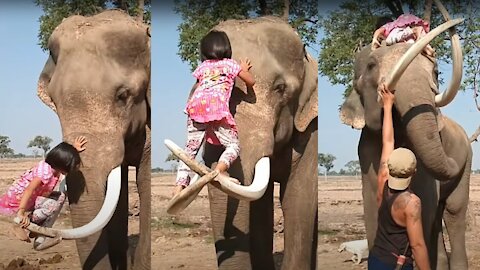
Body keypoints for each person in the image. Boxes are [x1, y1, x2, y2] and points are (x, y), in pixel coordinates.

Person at [173, 30, 256, 196]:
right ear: (227, 48)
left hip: (195, 108)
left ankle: (178, 188)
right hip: (217, 108)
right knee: (233, 145)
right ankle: (219, 170)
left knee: (189, 152)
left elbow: (198, 84)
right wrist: (243, 68)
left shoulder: (202, 67)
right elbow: (251, 81)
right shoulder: (230, 64)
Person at [368, 84, 431, 270]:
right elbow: (417, 245)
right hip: (396, 264)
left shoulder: (383, 179)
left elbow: (387, 141)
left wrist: (388, 106)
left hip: (376, 258)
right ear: (414, 172)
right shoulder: (411, 203)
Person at [0, 136, 87, 242]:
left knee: (59, 196)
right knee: (52, 205)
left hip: (31, 198)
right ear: (62, 163)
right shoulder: (45, 174)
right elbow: (28, 190)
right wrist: (21, 212)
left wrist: (73, 150)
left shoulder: (53, 167)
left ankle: (32, 225)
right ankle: (21, 224)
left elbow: (63, 157)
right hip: (20, 200)